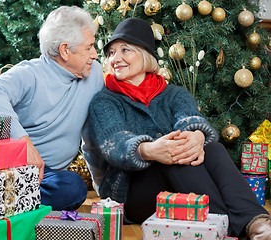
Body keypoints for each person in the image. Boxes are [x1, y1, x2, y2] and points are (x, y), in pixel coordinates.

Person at [86, 17, 271, 239]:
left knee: (212, 150)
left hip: (180, 190)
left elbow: (189, 118)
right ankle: (230, 227)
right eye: (111, 53)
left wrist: (196, 135)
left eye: (125, 50)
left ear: (146, 55)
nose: (115, 59)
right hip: (130, 192)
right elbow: (113, 143)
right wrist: (148, 150)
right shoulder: (105, 101)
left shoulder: (173, 93)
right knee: (176, 157)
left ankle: (258, 223)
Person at [0, 6, 104, 211]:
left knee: (73, 189)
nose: (95, 54)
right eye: (89, 47)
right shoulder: (31, 73)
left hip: (45, 176)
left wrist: (101, 186)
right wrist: (24, 145)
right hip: (7, 165)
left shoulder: (93, 73)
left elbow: (91, 136)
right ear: (65, 50)